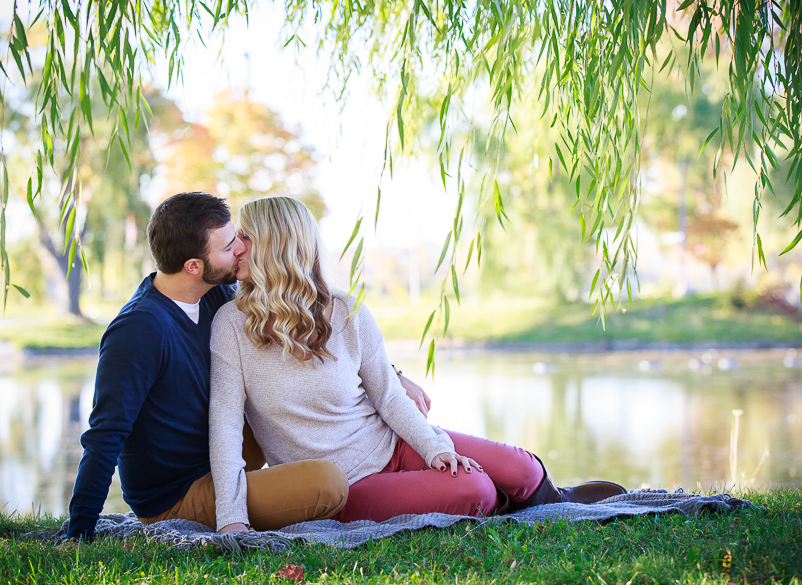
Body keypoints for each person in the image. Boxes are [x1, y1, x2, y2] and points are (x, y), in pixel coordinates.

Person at [208, 196, 626, 530]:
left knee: (522, 467)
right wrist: (231, 517)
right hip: (345, 484)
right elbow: (225, 425)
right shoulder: (230, 324)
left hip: (390, 442)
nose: (236, 246)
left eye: (246, 236)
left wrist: (434, 449)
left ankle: (556, 504)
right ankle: (504, 504)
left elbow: (389, 398)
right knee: (474, 489)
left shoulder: (347, 311)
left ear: (277, 245)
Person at [66, 192, 353, 539]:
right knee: (329, 483)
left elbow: (296, 322)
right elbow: (105, 436)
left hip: (221, 455)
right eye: (229, 245)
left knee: (275, 401)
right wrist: (79, 530)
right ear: (194, 266)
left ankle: (356, 463)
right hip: (176, 495)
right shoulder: (138, 330)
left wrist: (391, 375)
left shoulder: (214, 296)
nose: (241, 249)